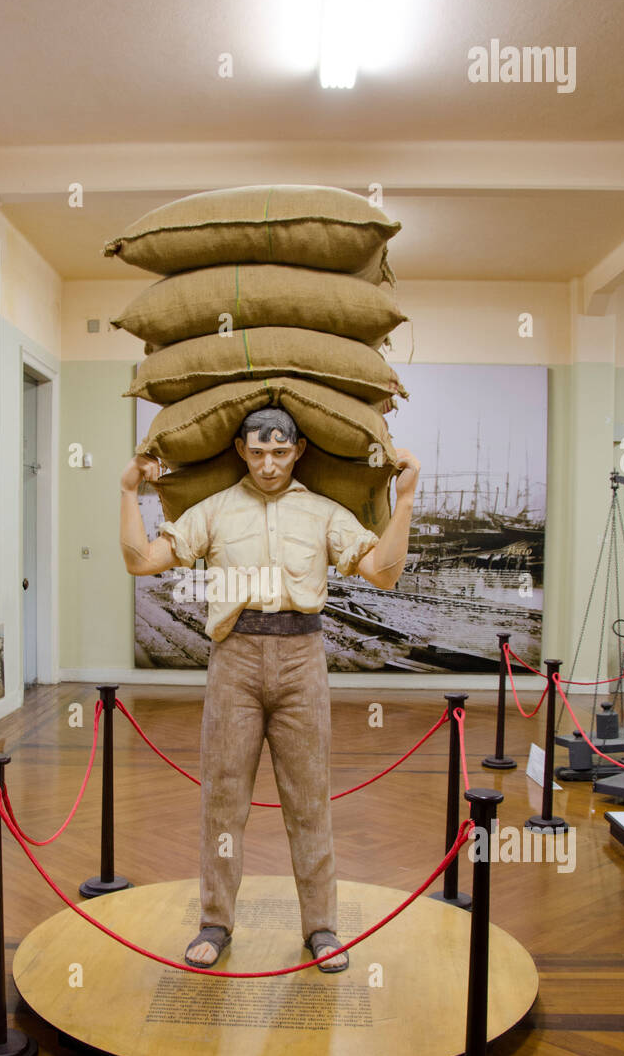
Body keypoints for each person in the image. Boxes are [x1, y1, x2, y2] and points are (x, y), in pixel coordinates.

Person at [120, 407, 420, 972]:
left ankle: (322, 928)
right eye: (257, 452)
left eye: (280, 452)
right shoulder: (214, 511)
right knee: (223, 800)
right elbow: (142, 561)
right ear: (239, 449)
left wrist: (404, 500)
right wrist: (126, 490)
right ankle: (214, 921)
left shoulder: (322, 513)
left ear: (300, 449)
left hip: (302, 659)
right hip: (233, 658)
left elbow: (382, 571)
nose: (268, 464)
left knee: (309, 801)